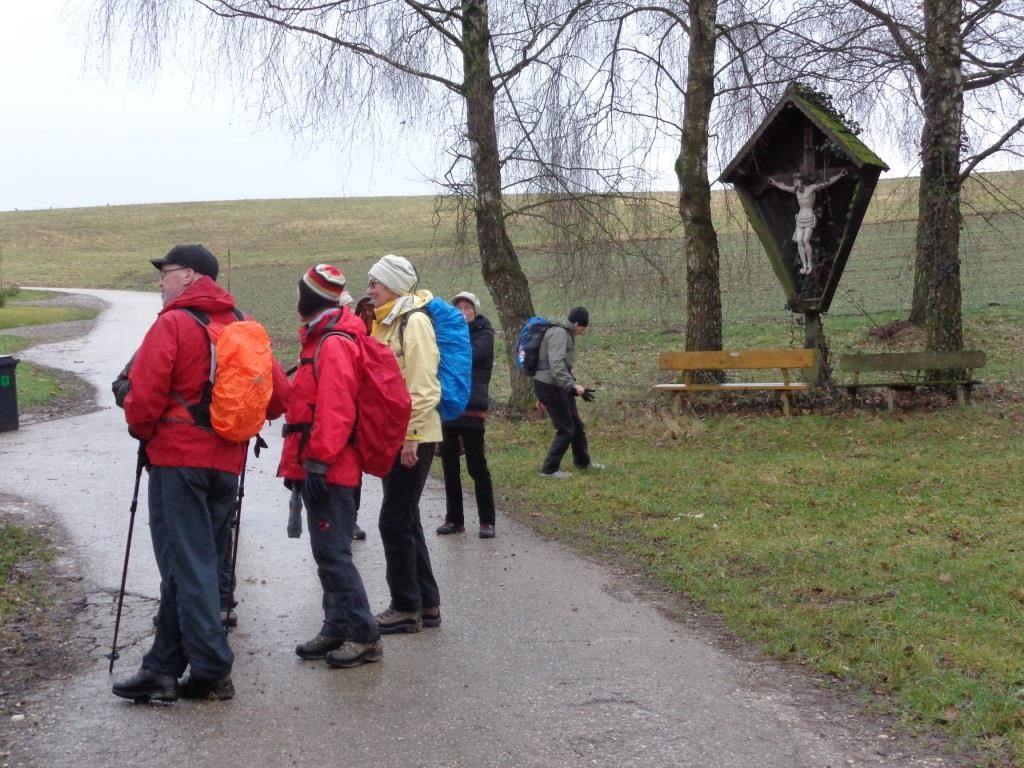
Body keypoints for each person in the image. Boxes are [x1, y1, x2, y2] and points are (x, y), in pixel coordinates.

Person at [113, 244, 289, 703]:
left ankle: (212, 670)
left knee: (187, 564)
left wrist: (144, 430)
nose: (161, 281)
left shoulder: (172, 323)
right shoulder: (241, 325)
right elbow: (278, 397)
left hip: (179, 462)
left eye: (166, 273)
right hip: (227, 462)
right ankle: (162, 668)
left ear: (189, 276)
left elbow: (145, 396)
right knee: (195, 562)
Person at [279, 264, 383, 668]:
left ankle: (364, 635)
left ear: (311, 299)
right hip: (319, 462)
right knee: (326, 552)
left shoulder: (334, 343)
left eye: (299, 292)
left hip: (330, 466)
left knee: (335, 554)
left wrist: (319, 463)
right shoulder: (321, 337)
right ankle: (335, 626)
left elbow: (336, 408)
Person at [366, 254, 442, 634]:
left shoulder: (415, 323)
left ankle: (404, 607)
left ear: (394, 284)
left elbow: (424, 386)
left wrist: (411, 436)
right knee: (406, 517)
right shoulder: (387, 323)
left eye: (375, 282)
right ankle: (427, 604)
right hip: (393, 435)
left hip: (412, 437)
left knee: (393, 520)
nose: (370, 288)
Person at [437, 291, 497, 538]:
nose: (462, 311)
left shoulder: (484, 334)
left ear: (475, 310)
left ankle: (487, 520)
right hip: (450, 406)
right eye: (458, 307)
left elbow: (467, 356)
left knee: (476, 466)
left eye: (467, 307)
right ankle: (454, 519)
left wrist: (449, 341)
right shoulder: (450, 334)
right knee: (449, 466)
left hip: (472, 406)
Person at [533, 306, 603, 478]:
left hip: (558, 385)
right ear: (577, 324)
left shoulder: (566, 333)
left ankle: (583, 463)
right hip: (550, 386)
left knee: (577, 426)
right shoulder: (559, 334)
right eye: (584, 327)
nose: (584, 331)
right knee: (566, 428)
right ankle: (549, 470)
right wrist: (572, 385)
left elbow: (560, 367)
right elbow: (556, 366)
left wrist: (573, 386)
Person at [766, 168, 848, 275]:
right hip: (800, 217)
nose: (794, 183)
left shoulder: (812, 188)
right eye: (794, 181)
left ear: (802, 181)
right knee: (799, 241)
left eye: (796, 180)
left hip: (809, 215)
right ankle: (804, 265)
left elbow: (826, 183)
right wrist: (775, 182)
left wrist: (840, 175)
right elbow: (784, 187)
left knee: (805, 241)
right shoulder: (795, 190)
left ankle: (810, 264)